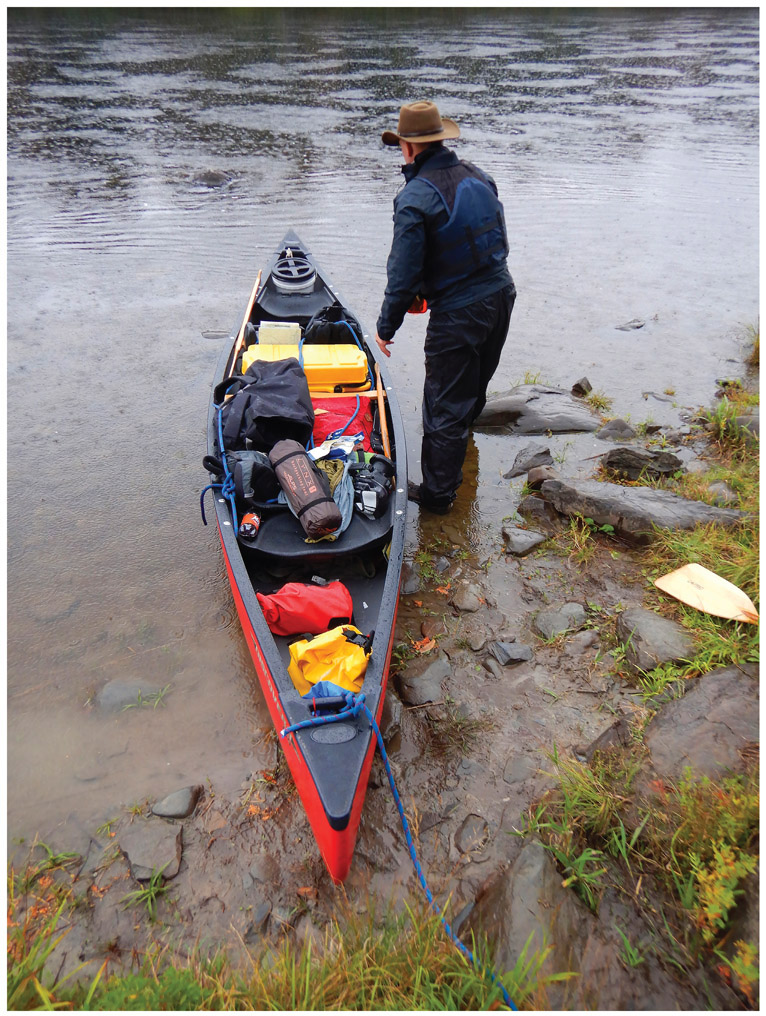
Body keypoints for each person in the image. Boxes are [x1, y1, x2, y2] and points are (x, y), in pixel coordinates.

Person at [375, 100, 516, 515]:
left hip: (458, 314)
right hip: (502, 295)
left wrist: (386, 327)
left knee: (442, 407)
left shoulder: (414, 198)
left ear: (408, 148)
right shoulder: (480, 176)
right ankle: (459, 457)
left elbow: (401, 275)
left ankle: (437, 496)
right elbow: (484, 238)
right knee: (472, 391)